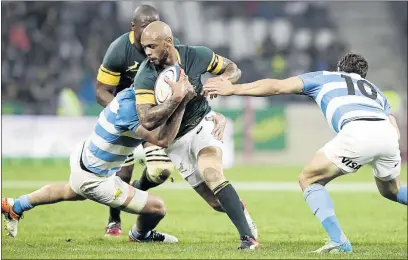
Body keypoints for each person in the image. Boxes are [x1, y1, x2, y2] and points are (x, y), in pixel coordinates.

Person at [203, 52, 407, 253]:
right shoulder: (373, 90)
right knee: (392, 190)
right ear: (363, 75)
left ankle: (339, 241)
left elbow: (276, 87)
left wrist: (234, 89)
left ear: (339, 69)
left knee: (309, 179)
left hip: (357, 131)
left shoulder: (326, 77)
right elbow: (392, 122)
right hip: (388, 135)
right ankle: (339, 240)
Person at [2, 71, 195, 243]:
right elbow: (162, 139)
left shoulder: (129, 95)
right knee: (157, 208)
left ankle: (15, 206)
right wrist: (180, 100)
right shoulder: (131, 111)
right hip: (95, 179)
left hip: (85, 160)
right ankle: (140, 235)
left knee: (70, 191)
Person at [133, 21, 259, 250]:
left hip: (203, 125)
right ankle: (238, 208)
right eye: (145, 47)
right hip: (175, 142)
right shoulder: (145, 75)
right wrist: (176, 98)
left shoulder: (196, 55)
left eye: (152, 46)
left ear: (168, 43)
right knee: (216, 203)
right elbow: (147, 120)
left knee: (212, 172)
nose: (147, 52)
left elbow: (233, 69)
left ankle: (248, 240)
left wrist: (222, 81)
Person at [95, 5, 181, 236]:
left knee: (161, 172)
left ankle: (137, 190)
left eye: (155, 24)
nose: (151, 30)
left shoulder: (166, 45)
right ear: (133, 27)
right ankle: (114, 220)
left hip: (153, 117)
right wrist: (121, 113)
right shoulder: (119, 50)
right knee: (123, 172)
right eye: (145, 26)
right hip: (128, 119)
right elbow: (102, 91)